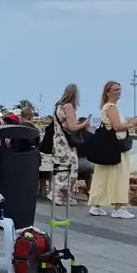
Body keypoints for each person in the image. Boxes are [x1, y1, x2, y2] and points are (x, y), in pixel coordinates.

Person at [87, 80, 134, 218]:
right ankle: (118, 207)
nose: (118, 92)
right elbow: (117, 126)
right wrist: (132, 124)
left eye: (119, 89)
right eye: (115, 90)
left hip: (108, 147)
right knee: (119, 175)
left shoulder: (106, 107)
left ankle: (96, 205)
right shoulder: (111, 107)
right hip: (116, 147)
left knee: (103, 175)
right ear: (108, 92)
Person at [49, 83, 88, 218]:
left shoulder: (57, 107)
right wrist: (84, 124)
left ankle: (56, 194)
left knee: (60, 168)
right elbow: (72, 127)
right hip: (66, 143)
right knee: (71, 168)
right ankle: (64, 196)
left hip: (57, 142)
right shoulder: (69, 107)